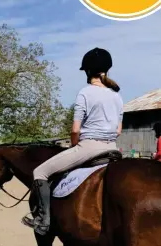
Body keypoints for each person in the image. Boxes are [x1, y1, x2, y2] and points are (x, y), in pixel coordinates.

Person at [22, 47, 123, 235]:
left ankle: (43, 221)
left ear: (87, 71)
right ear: (106, 70)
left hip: (89, 147)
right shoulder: (117, 96)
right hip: (113, 149)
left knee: (40, 172)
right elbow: (118, 131)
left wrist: (75, 144)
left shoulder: (85, 93)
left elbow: (75, 130)